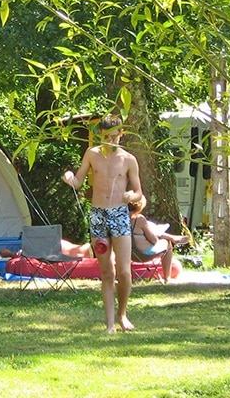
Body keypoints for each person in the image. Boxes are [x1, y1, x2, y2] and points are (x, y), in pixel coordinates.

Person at [62, 114, 143, 333]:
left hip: (119, 215)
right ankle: (109, 324)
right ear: (100, 135)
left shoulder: (128, 159)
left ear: (122, 134)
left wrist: (130, 196)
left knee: (124, 272)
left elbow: (138, 193)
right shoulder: (92, 154)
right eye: (108, 137)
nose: (112, 142)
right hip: (98, 215)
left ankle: (122, 314)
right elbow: (78, 183)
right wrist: (70, 177)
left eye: (116, 137)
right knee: (107, 271)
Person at [127, 194, 189, 283]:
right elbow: (153, 240)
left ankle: (172, 237)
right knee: (167, 243)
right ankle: (167, 278)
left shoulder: (120, 220)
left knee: (152, 233)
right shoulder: (139, 219)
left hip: (129, 253)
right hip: (144, 254)